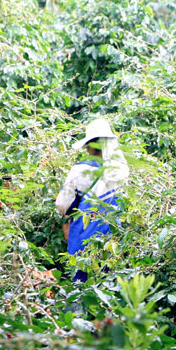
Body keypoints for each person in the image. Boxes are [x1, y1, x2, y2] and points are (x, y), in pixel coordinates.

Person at [54, 118, 130, 282]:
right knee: (108, 284)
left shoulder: (80, 170)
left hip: (83, 237)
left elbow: (62, 204)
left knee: (80, 287)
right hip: (112, 240)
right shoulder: (121, 170)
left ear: (89, 145)